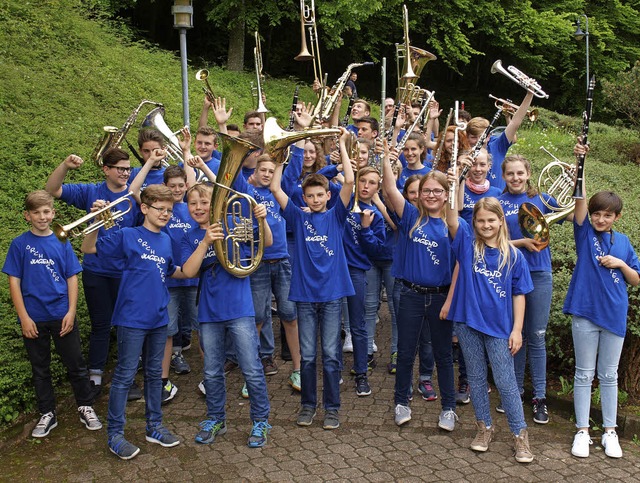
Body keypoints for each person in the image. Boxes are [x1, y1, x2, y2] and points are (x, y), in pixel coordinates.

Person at [81, 184, 183, 460]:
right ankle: (115, 434)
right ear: (144, 208)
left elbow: (171, 271)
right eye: (160, 209)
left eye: (170, 210)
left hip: (158, 317)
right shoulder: (128, 235)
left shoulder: (166, 239)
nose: (165, 214)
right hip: (131, 317)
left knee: (154, 376)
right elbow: (88, 247)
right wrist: (94, 220)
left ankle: (154, 427)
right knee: (125, 377)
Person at [271, 127, 355, 430]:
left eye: (321, 195)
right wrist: (282, 152)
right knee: (307, 357)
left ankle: (332, 408)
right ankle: (308, 405)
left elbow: (350, 181)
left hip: (332, 295)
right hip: (304, 296)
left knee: (331, 355)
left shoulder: (336, 216)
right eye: (310, 195)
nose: (316, 199)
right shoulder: (298, 216)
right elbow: (277, 189)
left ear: (328, 196)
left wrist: (343, 145)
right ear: (303, 197)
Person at [181, 182, 274, 448]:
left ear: (216, 204)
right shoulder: (189, 236)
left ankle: (260, 420)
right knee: (211, 371)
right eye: (193, 203)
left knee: (252, 369)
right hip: (209, 312)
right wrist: (206, 241)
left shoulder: (233, 223)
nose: (198, 208)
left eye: (204, 203)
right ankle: (216, 418)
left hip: (239, 308)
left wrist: (263, 220)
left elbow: (266, 242)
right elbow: (188, 271)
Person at [2, 190, 102, 438]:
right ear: (27, 215)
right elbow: (14, 282)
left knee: (76, 365)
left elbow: (71, 277)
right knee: (40, 369)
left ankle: (85, 406)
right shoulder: (19, 244)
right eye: (36, 212)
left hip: (61, 314)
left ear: (53, 213)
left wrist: (71, 311)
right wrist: (24, 317)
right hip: (33, 318)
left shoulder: (62, 241)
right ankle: (47, 413)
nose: (42, 216)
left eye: (46, 211)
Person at [445, 190, 534, 463]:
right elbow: (451, 220)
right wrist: (455, 180)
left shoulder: (515, 256)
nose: (485, 225)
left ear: (501, 221)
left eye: (491, 220)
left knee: (506, 383)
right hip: (468, 323)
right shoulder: (468, 246)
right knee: (476, 378)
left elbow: (520, 295)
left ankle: (520, 436)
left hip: (500, 329)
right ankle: (484, 428)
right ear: (474, 223)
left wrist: (517, 329)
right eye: (480, 221)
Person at [45, 148, 140, 398]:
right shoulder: (91, 192)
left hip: (124, 271)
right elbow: (52, 189)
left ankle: (127, 376)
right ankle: (95, 375)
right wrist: (65, 165)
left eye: (128, 168)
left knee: (125, 325)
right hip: (96, 269)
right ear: (106, 169)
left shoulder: (133, 196)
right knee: (101, 324)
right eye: (120, 168)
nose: (125, 173)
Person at [566, 145, 640, 459]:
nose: (599, 218)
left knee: (609, 375)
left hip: (614, 314)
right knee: (584, 373)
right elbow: (579, 202)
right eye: (597, 213)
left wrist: (620, 265)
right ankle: (582, 431)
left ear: (616, 217)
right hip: (584, 312)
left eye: (606, 214)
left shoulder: (623, 242)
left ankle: (610, 432)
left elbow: (636, 278)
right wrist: (579, 161)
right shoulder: (583, 231)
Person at [381, 146, 458, 432]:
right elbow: (389, 189)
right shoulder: (412, 216)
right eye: (427, 190)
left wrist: (451, 301)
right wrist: (387, 157)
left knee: (443, 355)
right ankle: (401, 402)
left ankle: (449, 408)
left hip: (440, 297)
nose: (432, 195)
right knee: (405, 351)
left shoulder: (454, 225)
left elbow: (461, 265)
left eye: (438, 191)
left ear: (446, 194)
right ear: (420, 193)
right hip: (410, 295)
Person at [497, 154, 561, 422]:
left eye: (520, 173)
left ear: (528, 173)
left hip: (539, 274)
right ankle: (514, 392)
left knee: (535, 336)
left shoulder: (544, 200)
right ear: (504, 176)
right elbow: (491, 242)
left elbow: (578, 213)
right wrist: (522, 242)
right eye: (510, 174)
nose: (515, 178)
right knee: (516, 335)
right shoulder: (498, 203)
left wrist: (578, 173)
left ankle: (539, 398)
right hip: (508, 274)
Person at [342, 165, 386, 396]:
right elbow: (323, 180)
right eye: (363, 181)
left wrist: (365, 229)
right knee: (330, 323)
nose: (366, 186)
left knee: (358, 324)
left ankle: (361, 373)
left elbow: (377, 249)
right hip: (334, 270)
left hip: (356, 271)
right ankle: (334, 368)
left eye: (372, 183)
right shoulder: (343, 203)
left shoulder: (375, 216)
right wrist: (339, 165)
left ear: (377, 188)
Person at [465, 91, 534, 190]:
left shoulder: (497, 146)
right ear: (467, 137)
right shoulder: (463, 152)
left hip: (498, 201)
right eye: (473, 137)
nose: (477, 141)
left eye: (481, 137)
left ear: (488, 136)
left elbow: (515, 123)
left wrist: (529, 94)